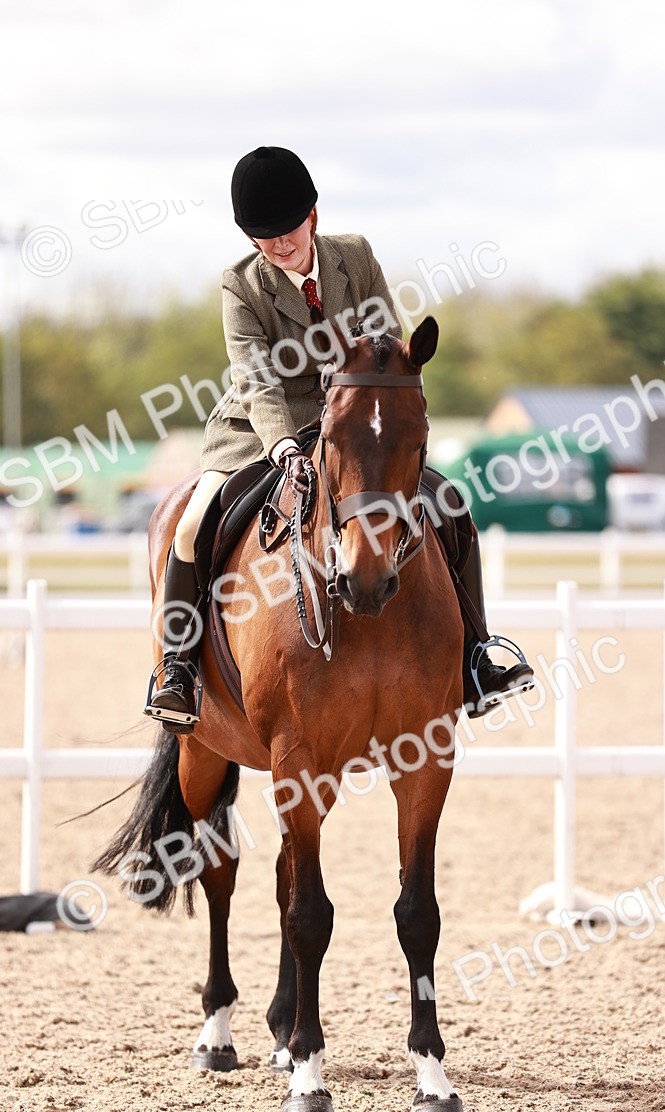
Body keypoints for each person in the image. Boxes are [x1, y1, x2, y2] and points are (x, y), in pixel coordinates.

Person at [145, 146, 534, 731]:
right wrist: (284, 447)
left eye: (287, 230)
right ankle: (177, 669)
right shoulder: (239, 285)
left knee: (449, 504)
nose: (278, 245)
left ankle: (477, 655)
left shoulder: (355, 257)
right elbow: (255, 379)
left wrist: (363, 407)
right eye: (262, 237)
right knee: (195, 522)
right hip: (259, 428)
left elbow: (388, 348)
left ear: (313, 216)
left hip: (354, 425)